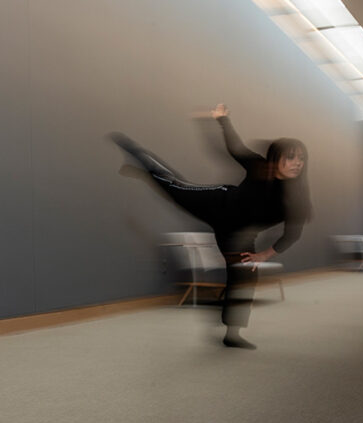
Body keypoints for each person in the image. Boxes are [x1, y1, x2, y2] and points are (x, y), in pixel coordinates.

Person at [110, 103, 311, 349]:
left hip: (237, 233)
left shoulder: (296, 199)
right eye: (291, 156)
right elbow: (235, 148)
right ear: (276, 157)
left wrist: (264, 254)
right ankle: (142, 160)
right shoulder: (259, 167)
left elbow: (293, 233)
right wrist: (223, 120)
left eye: (301, 158)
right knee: (175, 187)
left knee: (245, 277)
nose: (296, 162)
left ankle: (231, 333)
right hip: (217, 202)